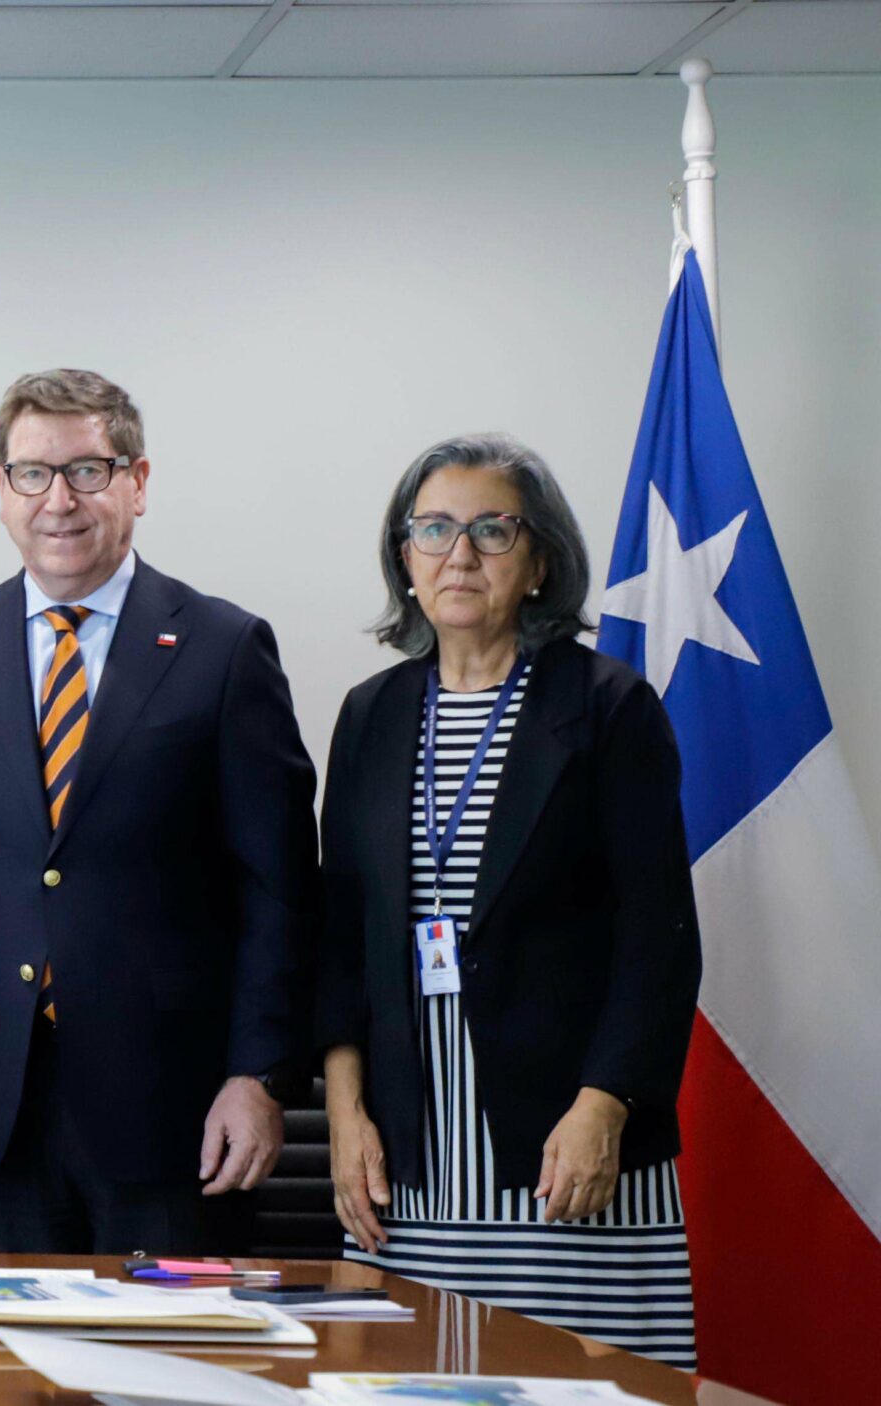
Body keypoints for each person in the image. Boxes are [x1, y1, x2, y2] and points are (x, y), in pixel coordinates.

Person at [0, 368, 319, 1254]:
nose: (60, 500)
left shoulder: (224, 648)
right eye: (33, 474)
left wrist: (258, 1075)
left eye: (88, 470)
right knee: (9, 1344)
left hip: (177, 1108)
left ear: (138, 481)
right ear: (1, 489)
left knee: (171, 1344)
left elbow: (278, 888)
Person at [318, 434, 700, 1368]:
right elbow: (338, 941)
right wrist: (344, 1115)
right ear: (404, 558)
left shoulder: (608, 707)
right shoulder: (370, 715)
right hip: (411, 1164)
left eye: (492, 530)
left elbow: (658, 940)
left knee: (579, 1387)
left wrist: (605, 1105)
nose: (460, 554)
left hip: (567, 1154)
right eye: (434, 529)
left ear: (539, 563)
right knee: (410, 1384)